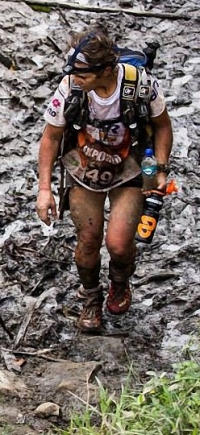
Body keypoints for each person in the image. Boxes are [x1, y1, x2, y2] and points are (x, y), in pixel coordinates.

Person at [37, 29, 173, 332]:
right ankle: (91, 298)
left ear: (106, 70)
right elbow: (50, 137)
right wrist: (44, 190)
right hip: (83, 167)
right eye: (72, 71)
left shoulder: (139, 84)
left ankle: (120, 282)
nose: (75, 78)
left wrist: (160, 169)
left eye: (82, 73)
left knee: (120, 244)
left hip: (131, 167)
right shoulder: (69, 87)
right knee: (88, 239)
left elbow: (163, 126)